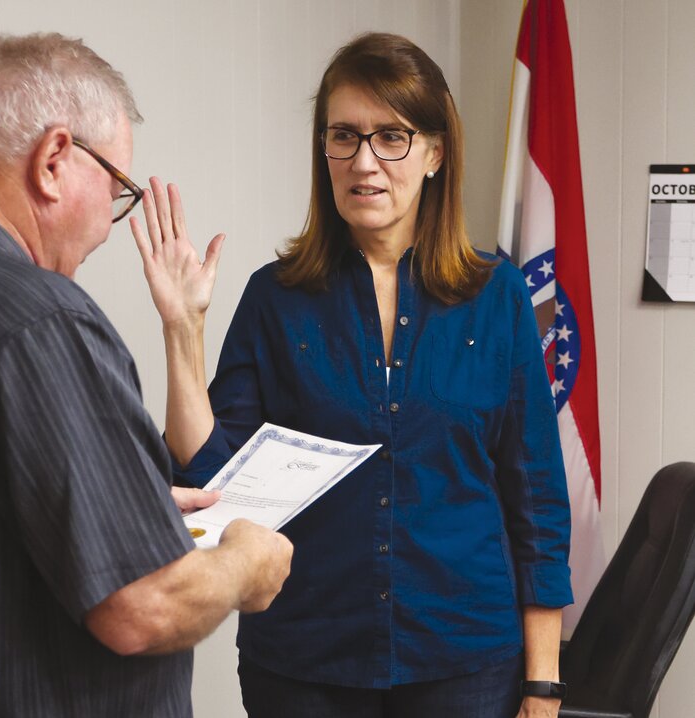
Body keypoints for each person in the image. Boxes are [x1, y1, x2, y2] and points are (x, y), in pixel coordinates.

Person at [0, 32, 292, 718]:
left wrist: (120, 509)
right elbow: (140, 608)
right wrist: (244, 562)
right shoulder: (38, 320)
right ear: (54, 159)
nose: (111, 224)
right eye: (117, 189)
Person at [132, 32, 572, 718]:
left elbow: (537, 497)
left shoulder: (498, 295)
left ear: (435, 152)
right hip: (305, 664)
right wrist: (181, 330)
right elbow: (213, 482)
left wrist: (543, 684)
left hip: (463, 665)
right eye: (344, 135)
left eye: (391, 136)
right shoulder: (275, 298)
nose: (364, 161)